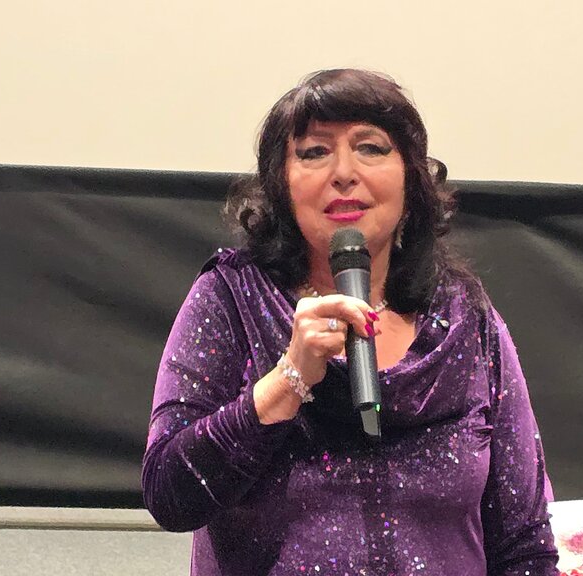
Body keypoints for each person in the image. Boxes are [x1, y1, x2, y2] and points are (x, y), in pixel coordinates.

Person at [142, 69, 559, 576]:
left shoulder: (463, 318)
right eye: (314, 152)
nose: (343, 172)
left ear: (411, 178)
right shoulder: (233, 298)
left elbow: (525, 540)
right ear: (281, 183)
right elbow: (171, 496)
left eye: (371, 148)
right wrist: (286, 381)